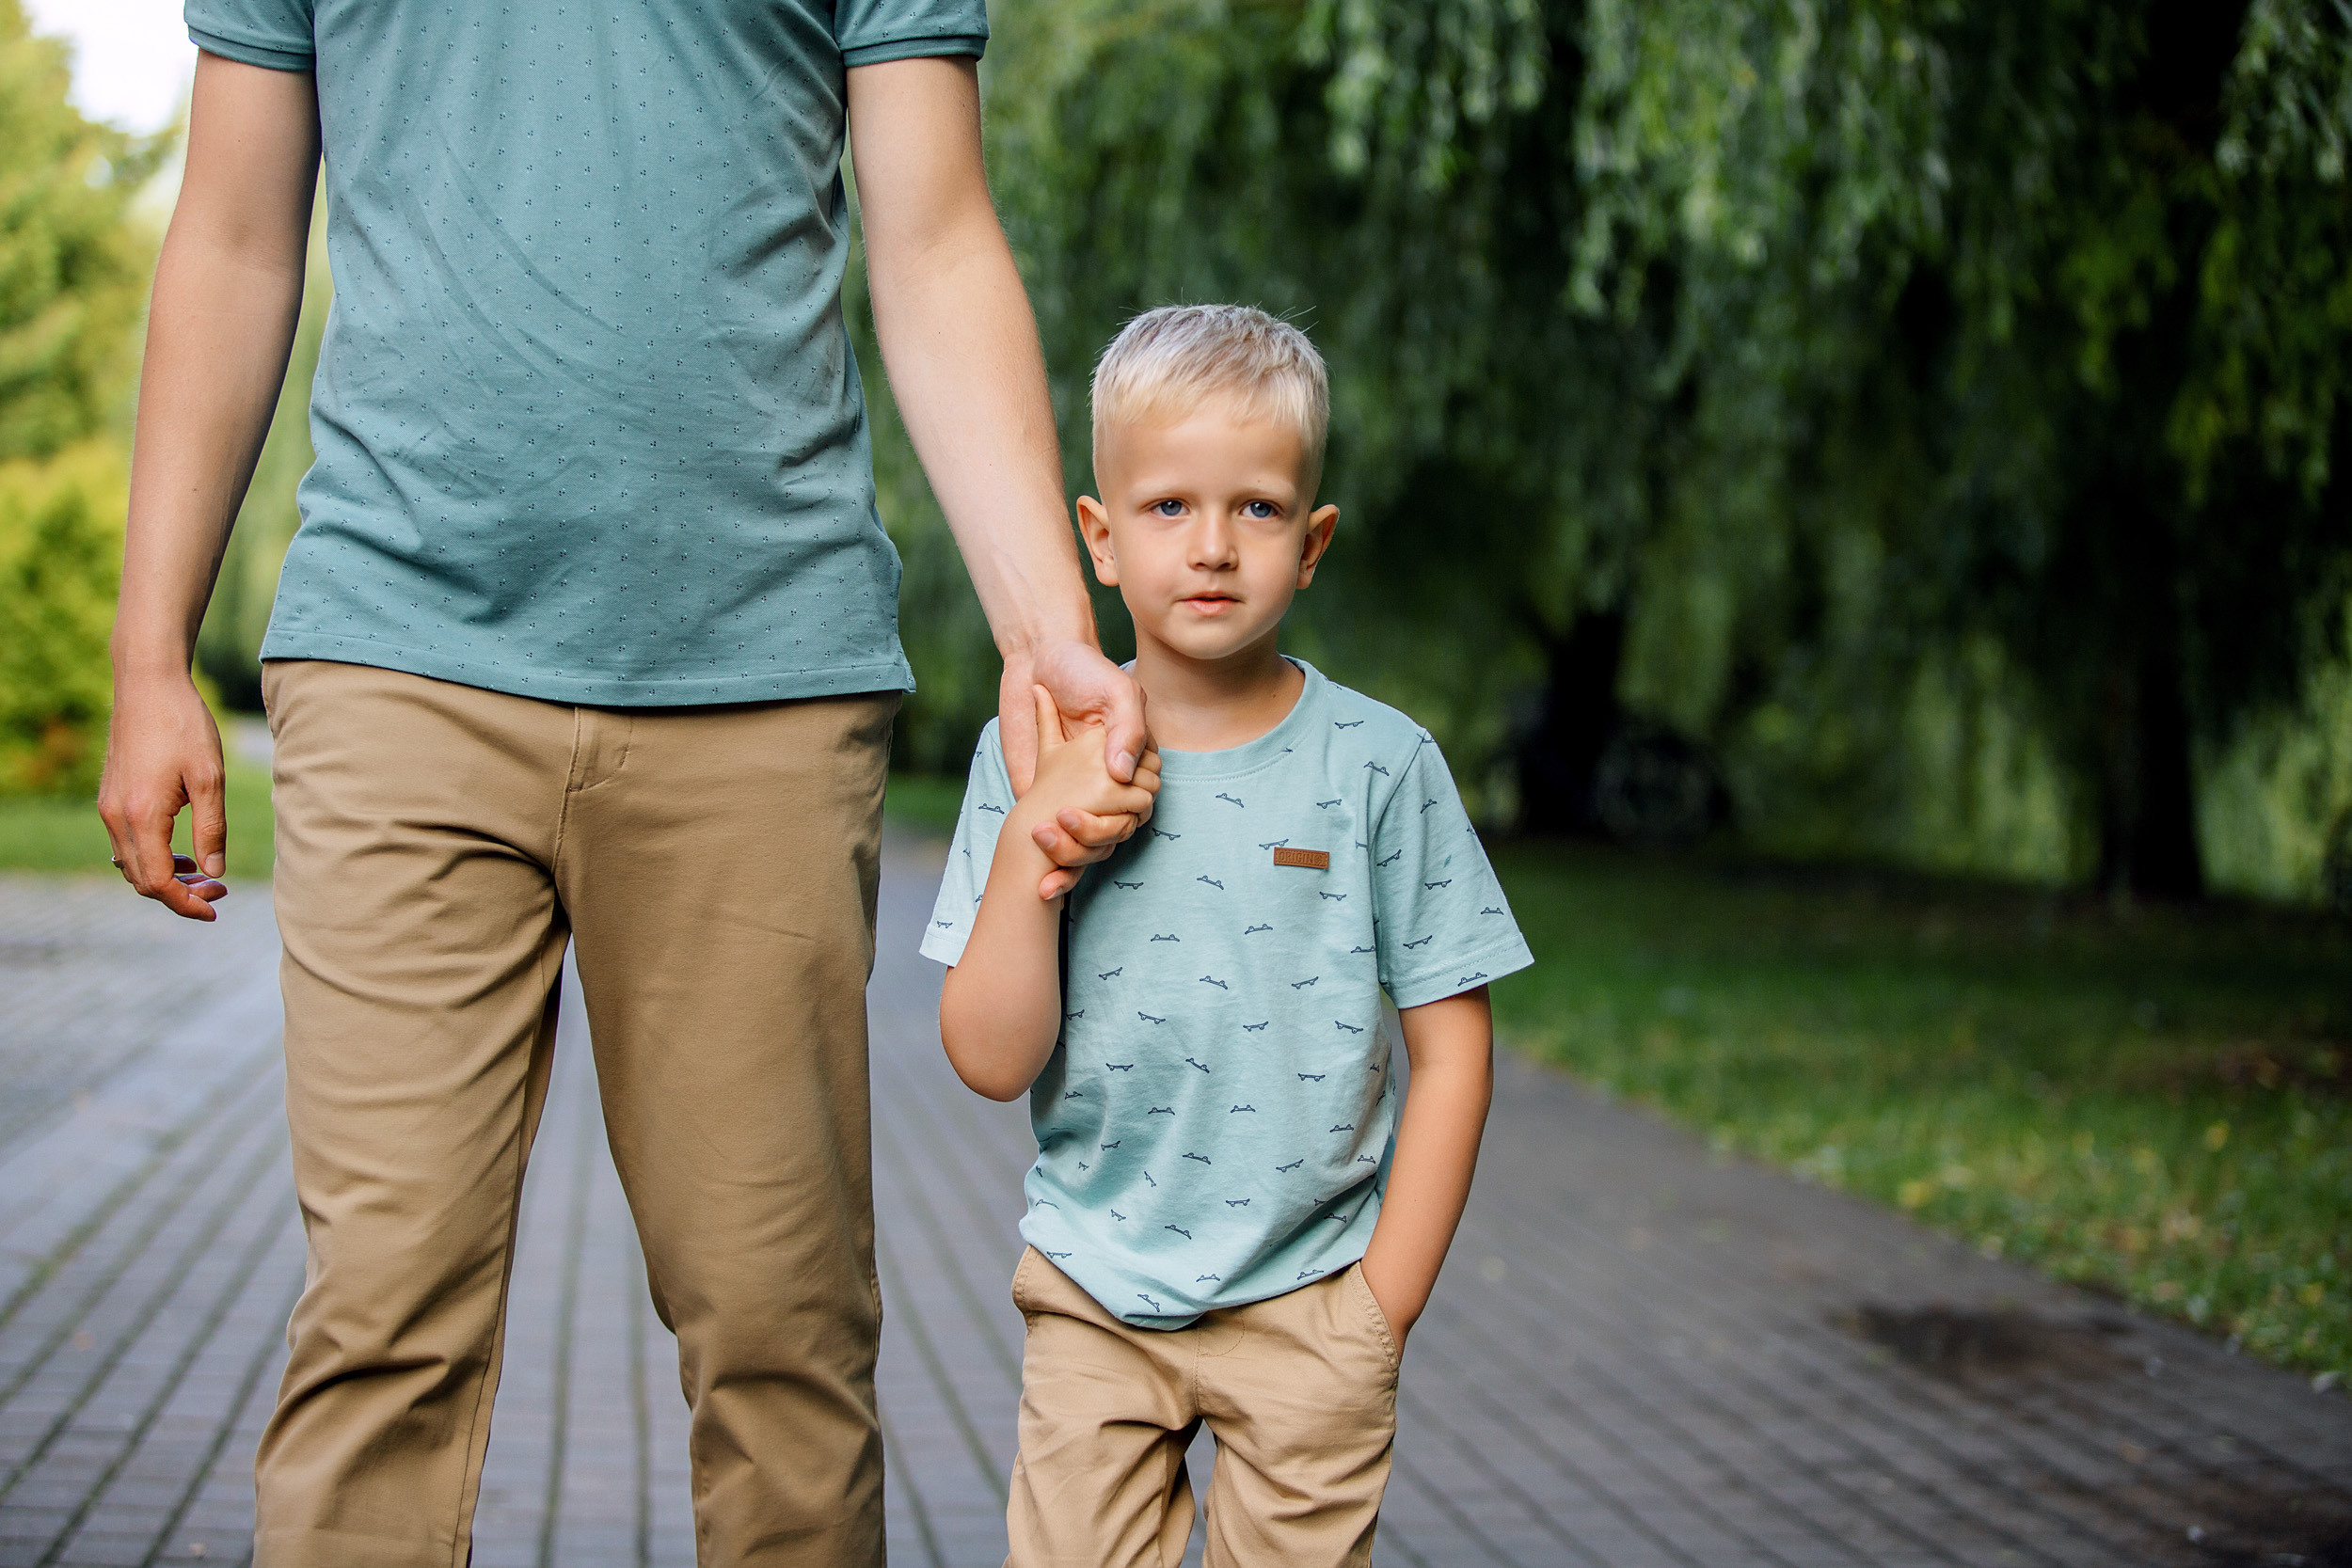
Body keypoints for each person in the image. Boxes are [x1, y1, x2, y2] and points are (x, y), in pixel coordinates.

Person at [95, 4, 1152, 1563]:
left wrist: (1052, 628)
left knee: (781, 1337)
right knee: (381, 1327)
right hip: (400, 658)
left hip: (763, 679)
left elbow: (931, 242)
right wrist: (147, 652)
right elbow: (237, 235)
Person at [922, 306, 1534, 1564]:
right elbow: (988, 1060)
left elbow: (1455, 1048)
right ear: (1096, 536)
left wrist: (1382, 1310)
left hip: (1313, 1306)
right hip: (1097, 1296)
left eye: (1255, 508)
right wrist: (1039, 845)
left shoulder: (1381, 767)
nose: (1210, 547)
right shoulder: (1034, 755)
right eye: (1166, 509)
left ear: (1312, 543)